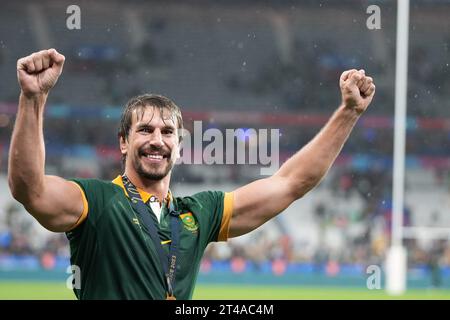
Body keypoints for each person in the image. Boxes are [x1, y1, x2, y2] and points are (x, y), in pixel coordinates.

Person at [8, 48, 376, 300]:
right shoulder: (96, 202)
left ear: (180, 145)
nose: (157, 141)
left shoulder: (197, 213)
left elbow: (291, 183)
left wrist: (348, 113)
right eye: (145, 131)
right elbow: (30, 190)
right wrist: (33, 99)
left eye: (167, 133)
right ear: (123, 142)